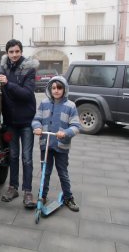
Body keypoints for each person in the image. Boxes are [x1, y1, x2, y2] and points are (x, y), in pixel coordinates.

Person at [0, 39, 38, 208]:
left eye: (17, 51)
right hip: (10, 122)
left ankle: (27, 192)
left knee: (27, 158)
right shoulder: (3, 67)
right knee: (12, 156)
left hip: (26, 122)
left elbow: (26, 94)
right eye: (11, 52)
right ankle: (13, 187)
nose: (14, 55)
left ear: (21, 51)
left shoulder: (29, 69)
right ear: (7, 53)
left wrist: (7, 83)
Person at [32, 76, 81, 211]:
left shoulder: (70, 105)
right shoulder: (44, 103)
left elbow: (76, 126)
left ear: (64, 89)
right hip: (46, 144)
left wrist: (66, 132)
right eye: (53, 88)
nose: (56, 90)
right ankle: (43, 195)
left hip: (61, 145)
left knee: (63, 172)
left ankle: (68, 197)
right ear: (49, 89)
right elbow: (37, 119)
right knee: (45, 172)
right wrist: (37, 127)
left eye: (59, 88)